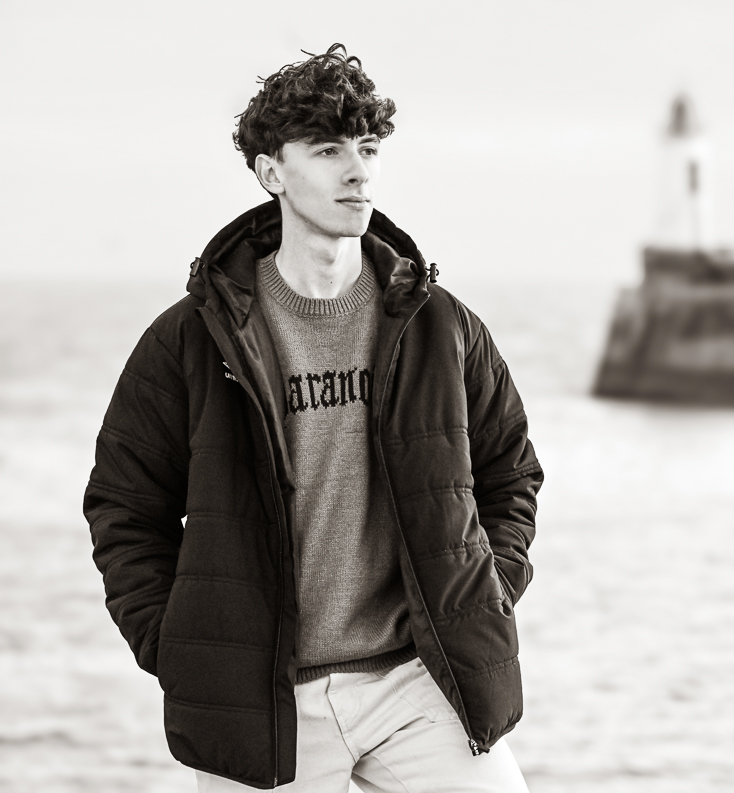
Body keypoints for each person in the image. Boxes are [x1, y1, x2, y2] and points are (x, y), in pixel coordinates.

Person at [83, 44, 543, 792]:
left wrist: (480, 594)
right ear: (272, 173)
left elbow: (510, 470)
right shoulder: (192, 340)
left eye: (367, 148)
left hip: (419, 686)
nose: (357, 170)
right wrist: (184, 647)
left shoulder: (439, 326)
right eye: (329, 150)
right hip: (266, 700)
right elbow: (125, 505)